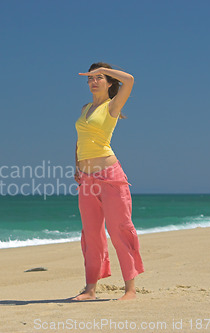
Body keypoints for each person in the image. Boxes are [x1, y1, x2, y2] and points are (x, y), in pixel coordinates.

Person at [72, 62, 144, 301]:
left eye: (98, 78)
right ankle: (90, 289)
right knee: (91, 234)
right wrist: (77, 167)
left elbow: (130, 79)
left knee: (119, 230)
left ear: (110, 82)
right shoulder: (85, 108)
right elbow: (80, 140)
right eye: (90, 79)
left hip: (110, 177)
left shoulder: (112, 106)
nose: (93, 82)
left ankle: (130, 289)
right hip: (87, 180)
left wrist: (104, 68)